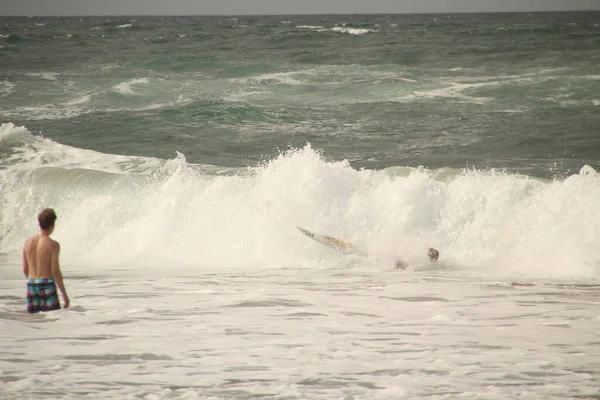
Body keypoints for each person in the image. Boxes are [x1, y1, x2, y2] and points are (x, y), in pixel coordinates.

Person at [22, 208, 70, 313]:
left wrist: (34, 282)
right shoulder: (53, 245)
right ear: (52, 225)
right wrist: (64, 294)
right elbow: (55, 271)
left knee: (34, 320)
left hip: (31, 283)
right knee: (52, 320)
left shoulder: (27, 242)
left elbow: (25, 269)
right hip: (46, 284)